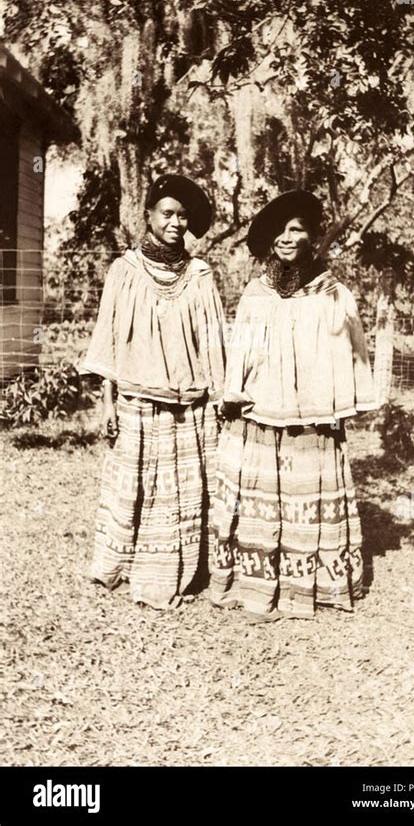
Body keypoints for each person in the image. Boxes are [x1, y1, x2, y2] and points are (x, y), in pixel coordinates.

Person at [210, 190, 375, 622]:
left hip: (311, 420)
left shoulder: (332, 294)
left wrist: (339, 405)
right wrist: (233, 395)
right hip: (261, 413)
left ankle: (308, 588)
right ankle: (258, 584)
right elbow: (240, 354)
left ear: (311, 237)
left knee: (305, 497)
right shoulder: (255, 294)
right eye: (280, 230)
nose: (288, 237)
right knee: (264, 500)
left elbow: (351, 355)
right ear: (269, 240)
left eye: (297, 228)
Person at [81, 174, 226, 609]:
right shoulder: (124, 272)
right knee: (140, 488)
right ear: (147, 216)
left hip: (190, 406)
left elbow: (214, 341)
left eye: (183, 216)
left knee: (184, 490)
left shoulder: (200, 275)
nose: (176, 223)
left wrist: (220, 398)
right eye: (167, 213)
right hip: (138, 402)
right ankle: (125, 567)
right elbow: (107, 338)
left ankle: (184, 570)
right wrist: (107, 402)